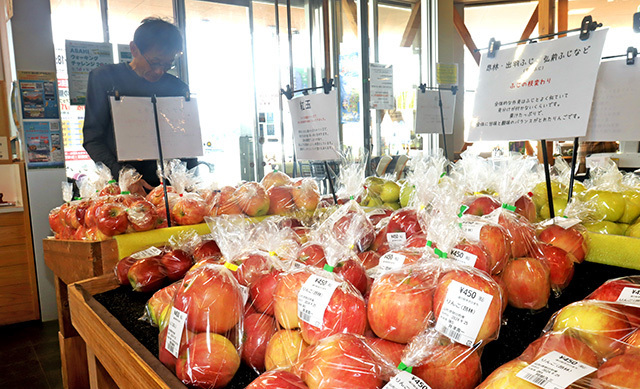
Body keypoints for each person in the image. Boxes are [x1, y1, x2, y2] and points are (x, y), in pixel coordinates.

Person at [82, 17, 196, 195]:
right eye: (155, 62)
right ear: (134, 49)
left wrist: (190, 183)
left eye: (167, 64)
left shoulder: (177, 88)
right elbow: (92, 138)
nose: (159, 71)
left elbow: (187, 144)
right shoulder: (105, 78)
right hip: (122, 187)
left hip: (171, 191)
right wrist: (125, 175)